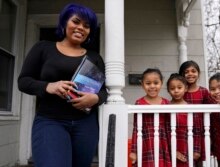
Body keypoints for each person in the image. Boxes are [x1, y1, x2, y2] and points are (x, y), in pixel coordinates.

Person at [18, 3, 107, 167]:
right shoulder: (43, 48)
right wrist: (48, 86)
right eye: (76, 21)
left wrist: (94, 98)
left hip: (85, 125)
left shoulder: (95, 57)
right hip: (50, 121)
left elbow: (104, 92)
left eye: (87, 26)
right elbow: (23, 82)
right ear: (65, 22)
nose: (81, 28)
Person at [129, 68, 172, 167]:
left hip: (163, 142)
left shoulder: (166, 103)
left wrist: (173, 148)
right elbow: (136, 128)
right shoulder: (139, 103)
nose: (152, 86)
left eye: (156, 83)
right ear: (142, 84)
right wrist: (134, 151)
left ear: (161, 83)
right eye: (148, 83)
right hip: (145, 142)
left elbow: (170, 128)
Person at [179, 60, 215, 166]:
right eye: (186, 72)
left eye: (193, 71)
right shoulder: (181, 92)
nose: (190, 74)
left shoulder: (203, 91)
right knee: (186, 158)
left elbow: (213, 107)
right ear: (182, 75)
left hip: (200, 131)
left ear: (198, 74)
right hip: (184, 129)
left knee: (199, 161)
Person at [167, 73, 201, 167]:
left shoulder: (191, 108)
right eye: (172, 88)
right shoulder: (166, 107)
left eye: (179, 87)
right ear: (168, 90)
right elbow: (164, 132)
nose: (176, 91)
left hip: (188, 146)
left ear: (185, 88)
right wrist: (172, 149)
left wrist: (196, 150)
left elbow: (197, 131)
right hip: (170, 147)